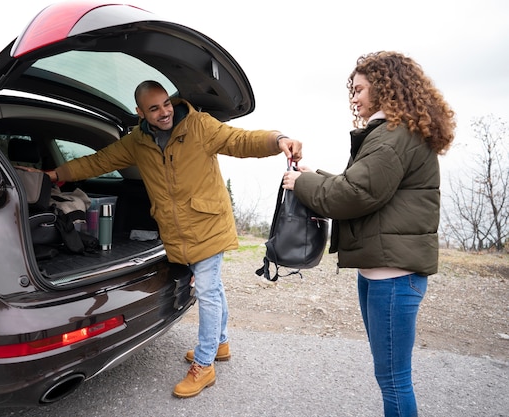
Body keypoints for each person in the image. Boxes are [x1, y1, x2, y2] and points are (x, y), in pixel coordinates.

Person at [37, 80, 302, 398]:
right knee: (212, 287)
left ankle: (204, 365)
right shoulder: (137, 141)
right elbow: (99, 161)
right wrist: (55, 175)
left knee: (206, 290)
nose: (163, 112)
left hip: (208, 224)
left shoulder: (200, 125)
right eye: (154, 108)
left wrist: (278, 140)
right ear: (140, 112)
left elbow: (241, 141)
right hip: (177, 230)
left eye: (165, 103)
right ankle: (220, 344)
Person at [282, 51, 455, 417]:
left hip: (392, 276)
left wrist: (302, 183)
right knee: (390, 375)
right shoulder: (394, 132)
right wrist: (313, 176)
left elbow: (356, 195)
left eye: (360, 89)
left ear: (384, 88)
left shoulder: (393, 135)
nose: (354, 97)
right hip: (383, 272)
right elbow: (362, 188)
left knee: (394, 379)